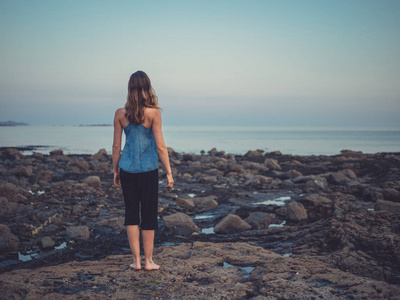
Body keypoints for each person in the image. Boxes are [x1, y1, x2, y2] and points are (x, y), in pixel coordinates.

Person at [112, 71, 174, 271]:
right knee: (148, 214)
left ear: (130, 89)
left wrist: (115, 170)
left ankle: (136, 262)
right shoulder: (154, 113)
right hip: (148, 170)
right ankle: (148, 261)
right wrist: (169, 172)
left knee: (131, 214)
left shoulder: (120, 113)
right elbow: (161, 146)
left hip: (127, 169)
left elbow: (115, 146)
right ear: (148, 88)